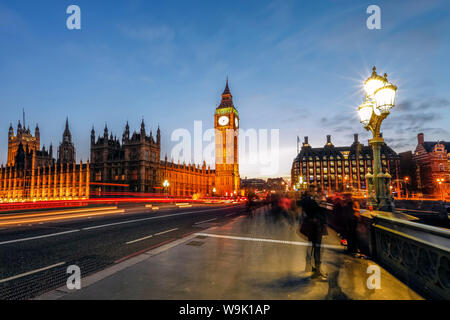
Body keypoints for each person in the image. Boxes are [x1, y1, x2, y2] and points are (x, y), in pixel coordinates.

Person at [299, 187, 328, 280]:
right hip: (315, 226)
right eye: (313, 191)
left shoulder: (307, 201)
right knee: (317, 248)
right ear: (309, 192)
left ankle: (310, 267)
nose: (315, 192)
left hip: (312, 226)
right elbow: (319, 210)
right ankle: (317, 271)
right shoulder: (310, 201)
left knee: (312, 246)